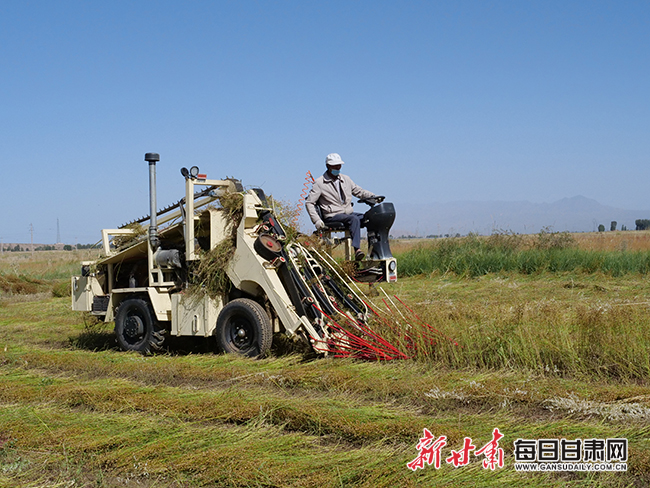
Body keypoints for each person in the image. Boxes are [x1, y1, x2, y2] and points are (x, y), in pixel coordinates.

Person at [305, 153, 381, 261]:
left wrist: (373, 196)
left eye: (339, 165)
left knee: (370, 218)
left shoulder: (346, 179)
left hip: (347, 213)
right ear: (328, 166)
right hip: (332, 215)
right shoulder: (319, 183)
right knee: (353, 219)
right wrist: (316, 220)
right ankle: (357, 250)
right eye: (335, 166)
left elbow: (359, 191)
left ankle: (373, 250)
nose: (338, 168)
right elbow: (309, 203)